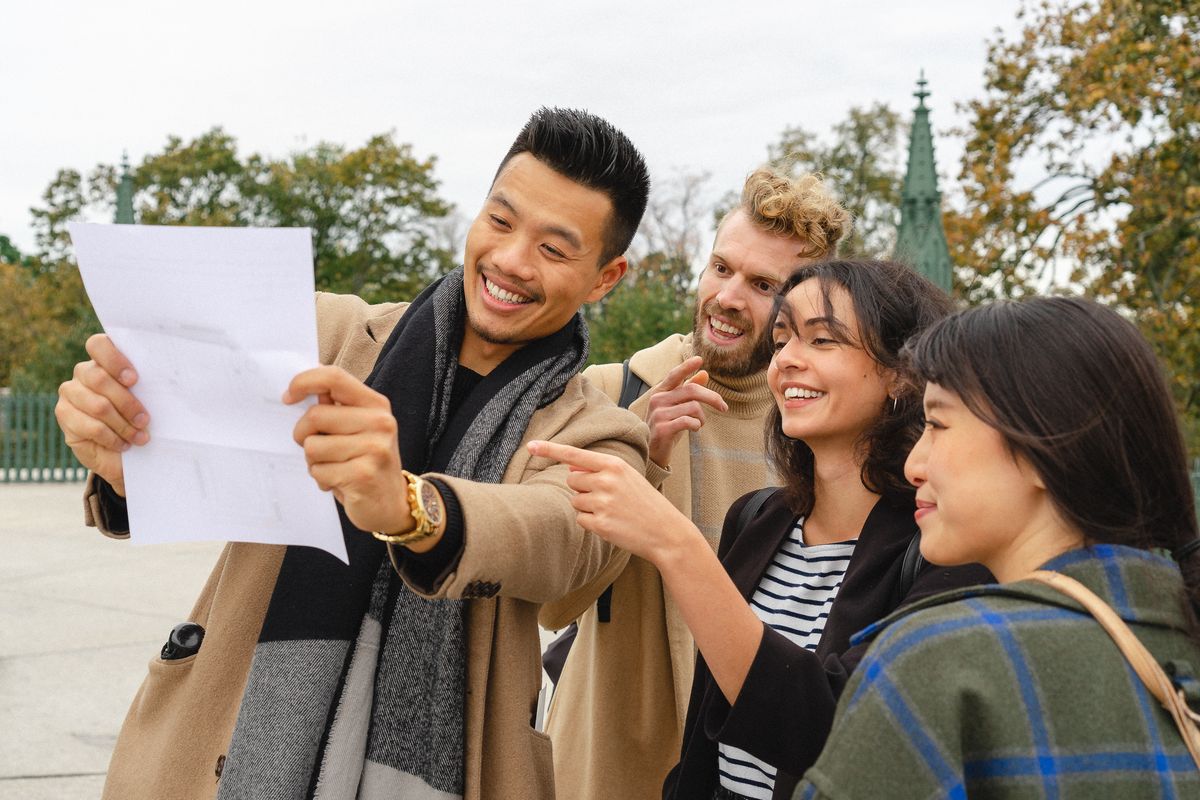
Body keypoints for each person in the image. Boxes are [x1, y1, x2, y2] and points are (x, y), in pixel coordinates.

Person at [54, 107, 652, 800]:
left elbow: (552, 539)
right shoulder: (323, 336)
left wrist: (409, 507)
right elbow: (185, 444)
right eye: (501, 220)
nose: (511, 260)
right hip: (219, 742)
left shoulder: (600, 432)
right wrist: (120, 444)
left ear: (606, 277)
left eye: (555, 249)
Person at [530, 259, 992, 799]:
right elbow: (704, 745)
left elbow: (835, 736)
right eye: (782, 339)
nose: (787, 361)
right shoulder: (756, 518)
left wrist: (675, 544)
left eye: (822, 340)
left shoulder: (946, 545)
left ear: (901, 373)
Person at [794, 296, 1200, 799]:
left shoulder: (942, 661)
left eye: (938, 425)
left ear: (1041, 449)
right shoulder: (1179, 635)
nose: (913, 465)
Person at [539, 167, 851, 800]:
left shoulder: (823, 429)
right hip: (608, 774)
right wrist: (639, 453)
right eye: (720, 268)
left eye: (764, 284)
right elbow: (552, 604)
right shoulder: (605, 394)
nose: (728, 296)